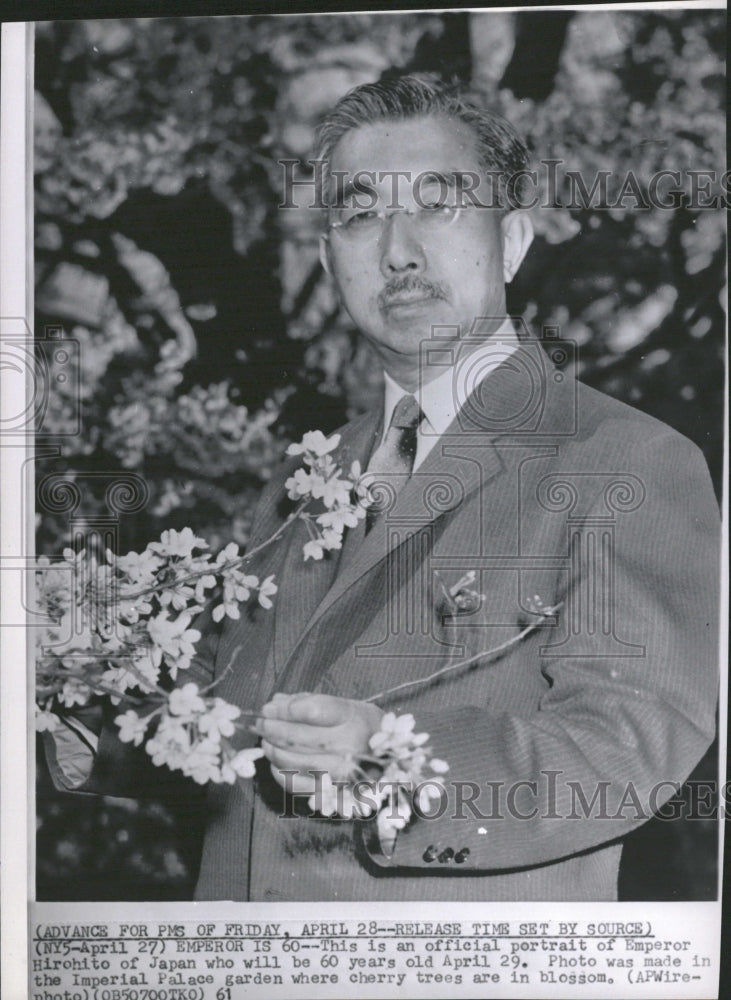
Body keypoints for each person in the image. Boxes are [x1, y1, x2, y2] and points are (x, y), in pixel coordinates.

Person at [45, 74, 719, 902]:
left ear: (511, 238)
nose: (396, 250)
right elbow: (234, 740)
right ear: (329, 258)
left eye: (437, 205)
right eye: (359, 215)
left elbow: (630, 746)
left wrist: (393, 759)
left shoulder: (624, 461)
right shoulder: (302, 483)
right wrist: (66, 713)